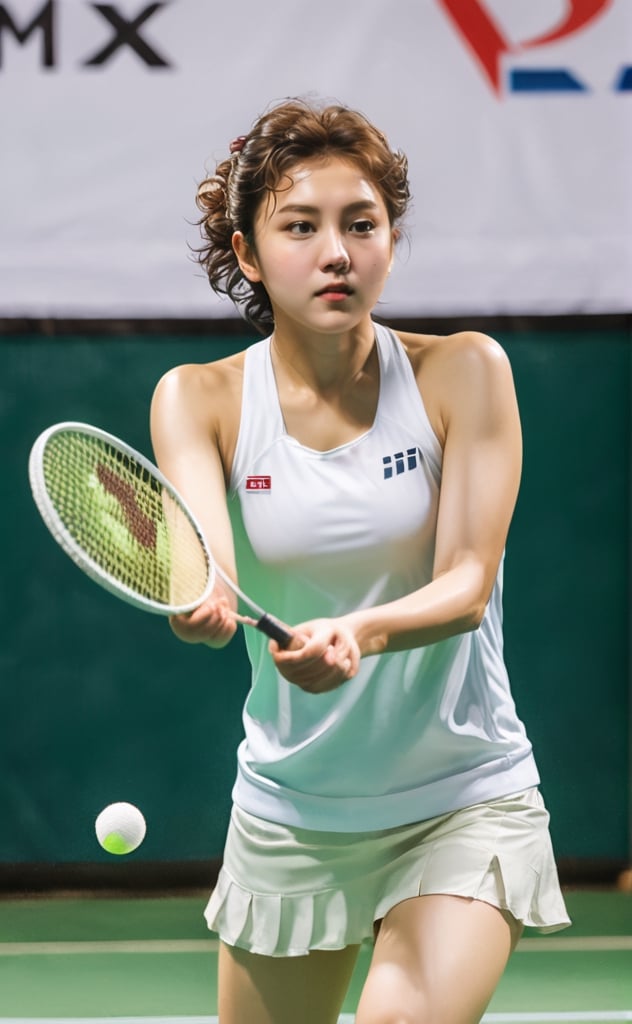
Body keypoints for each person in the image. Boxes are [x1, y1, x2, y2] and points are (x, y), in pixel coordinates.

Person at [150, 98, 570, 1024]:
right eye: (301, 227)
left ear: (389, 237)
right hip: (293, 813)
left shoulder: (465, 372)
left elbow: (466, 583)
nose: (336, 252)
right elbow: (206, 563)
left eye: (361, 224)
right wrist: (203, 601)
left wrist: (360, 632)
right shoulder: (199, 400)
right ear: (250, 254)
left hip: (460, 797)